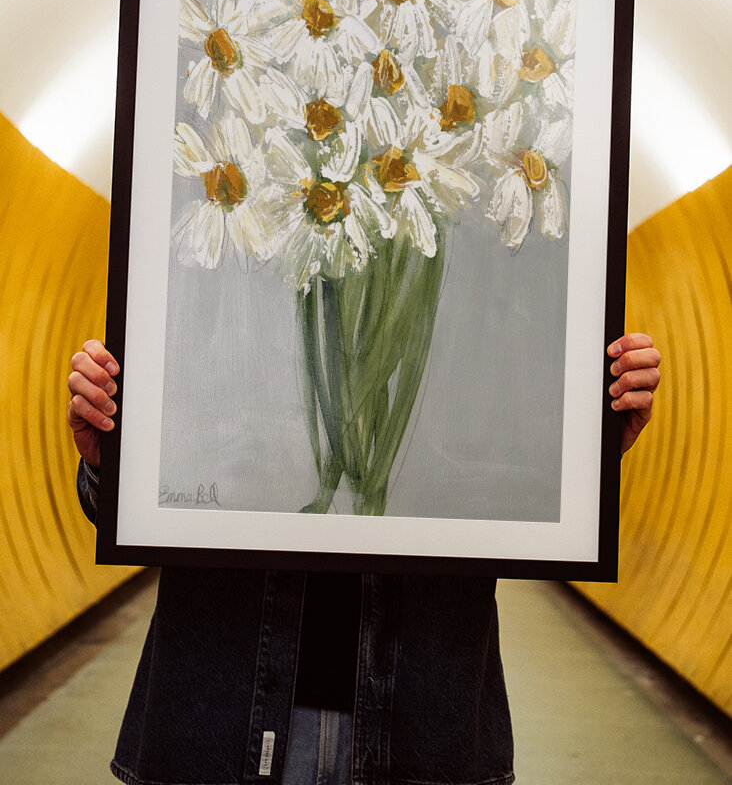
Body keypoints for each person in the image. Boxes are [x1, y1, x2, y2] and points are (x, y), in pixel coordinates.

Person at [68, 332, 661, 785]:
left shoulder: (462, 330)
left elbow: (489, 484)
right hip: (221, 719)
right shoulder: (233, 322)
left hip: (422, 727)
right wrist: (111, 461)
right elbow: (146, 501)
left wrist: (585, 454)